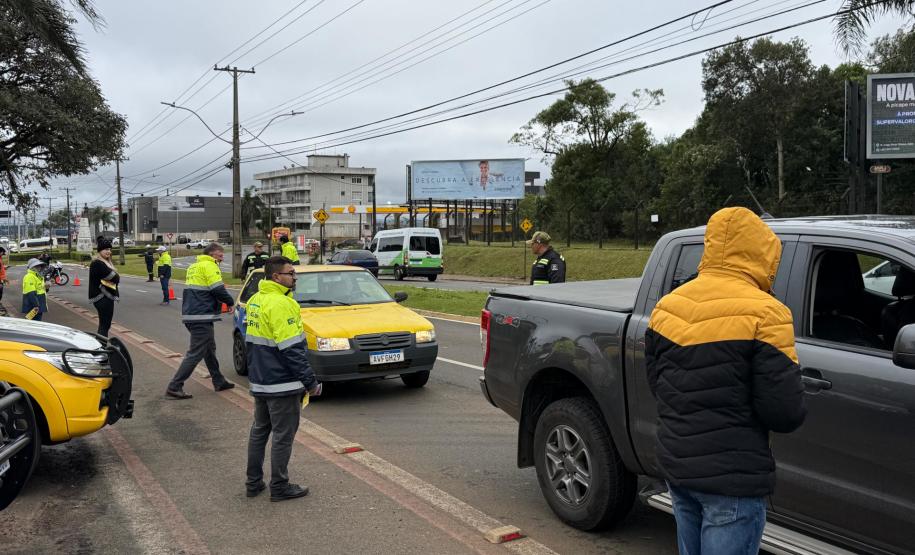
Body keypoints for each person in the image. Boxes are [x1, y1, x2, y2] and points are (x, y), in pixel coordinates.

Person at [645, 207, 807, 555]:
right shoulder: (768, 314)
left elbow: (658, 384)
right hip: (732, 479)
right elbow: (784, 412)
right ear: (763, 252)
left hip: (677, 467)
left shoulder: (667, 307)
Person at [245, 256, 321, 501]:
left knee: (259, 431)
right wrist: (310, 382)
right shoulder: (282, 304)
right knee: (282, 436)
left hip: (261, 380)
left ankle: (253, 482)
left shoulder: (256, 299)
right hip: (282, 382)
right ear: (276, 276)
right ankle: (279, 486)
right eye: (291, 273)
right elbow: (291, 350)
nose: (294, 277)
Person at [166, 242, 236, 399]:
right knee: (196, 353)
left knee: (209, 349)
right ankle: (174, 386)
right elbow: (217, 288)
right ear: (211, 255)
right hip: (201, 315)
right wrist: (230, 302)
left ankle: (218, 380)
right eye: (219, 255)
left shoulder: (194, 266)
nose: (221, 258)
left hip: (193, 314)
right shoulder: (210, 266)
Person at [88, 236, 120, 337]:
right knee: (104, 325)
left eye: (110, 249)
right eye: (106, 249)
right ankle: (101, 347)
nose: (109, 251)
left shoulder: (104, 263)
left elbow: (110, 280)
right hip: (102, 297)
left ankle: (102, 346)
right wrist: (115, 278)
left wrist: (114, 279)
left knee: (105, 325)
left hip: (104, 298)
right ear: (100, 250)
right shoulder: (98, 263)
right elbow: (114, 278)